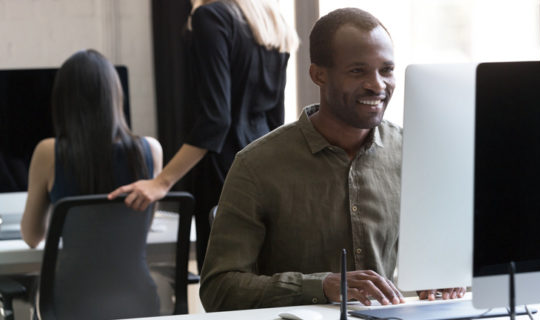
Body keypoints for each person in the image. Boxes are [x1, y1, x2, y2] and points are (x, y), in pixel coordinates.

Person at [199, 8, 465, 312]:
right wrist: (322, 286)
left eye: (386, 70)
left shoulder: (414, 152)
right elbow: (218, 289)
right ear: (318, 75)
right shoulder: (255, 166)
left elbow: (440, 261)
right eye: (358, 71)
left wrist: (443, 279)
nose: (377, 85)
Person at [107, 0, 299, 271]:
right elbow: (274, 119)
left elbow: (216, 120)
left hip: (223, 176)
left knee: (225, 289)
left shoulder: (211, 16)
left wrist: (161, 182)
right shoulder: (271, 22)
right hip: (267, 174)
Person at [20, 49, 163, 316]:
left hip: (71, 302)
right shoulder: (150, 150)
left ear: (62, 101)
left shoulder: (48, 152)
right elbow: (144, 224)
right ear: (115, 96)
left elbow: (31, 237)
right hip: (138, 301)